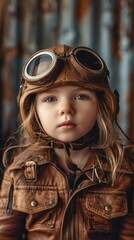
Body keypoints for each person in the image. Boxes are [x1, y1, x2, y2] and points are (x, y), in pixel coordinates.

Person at [0, 45, 134, 240]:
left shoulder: (123, 171)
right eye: (50, 98)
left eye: (81, 96)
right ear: (33, 110)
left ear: (102, 105)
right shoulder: (20, 172)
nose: (66, 108)